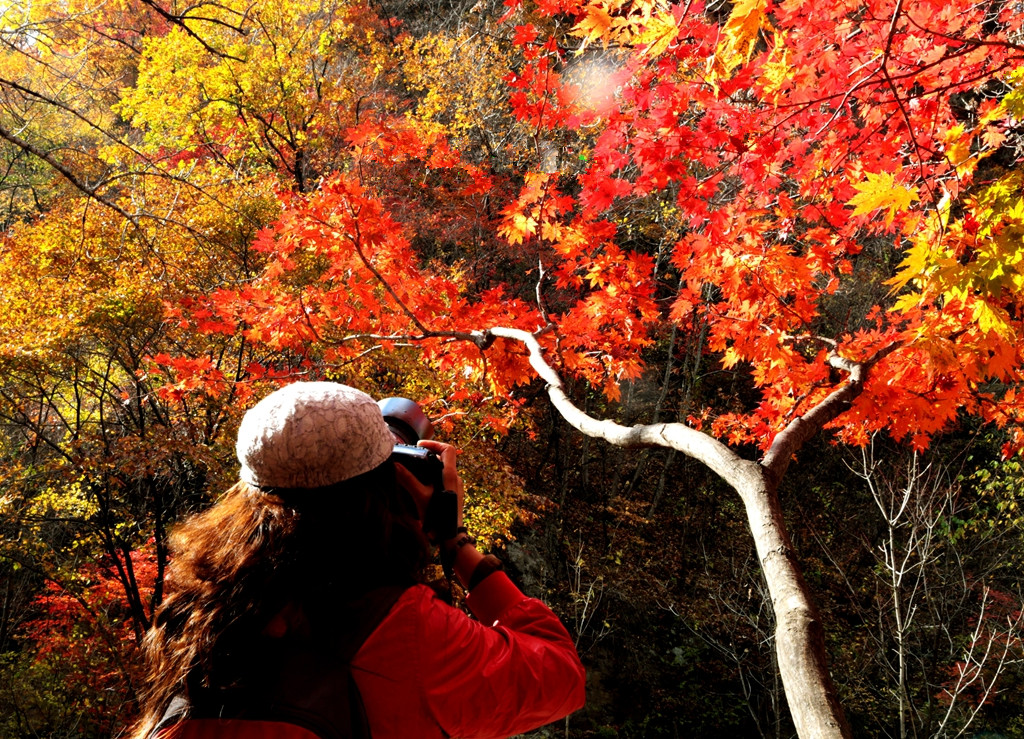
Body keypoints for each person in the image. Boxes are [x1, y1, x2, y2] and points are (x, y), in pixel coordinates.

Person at [132, 382, 585, 739]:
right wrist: (454, 541)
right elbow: (561, 675)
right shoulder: (402, 629)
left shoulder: (199, 605)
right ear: (382, 489)